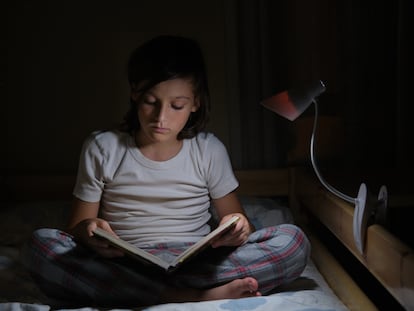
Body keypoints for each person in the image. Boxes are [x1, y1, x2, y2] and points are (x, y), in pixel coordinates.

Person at [22, 35, 310, 308]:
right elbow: (77, 228)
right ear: (135, 93)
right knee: (42, 246)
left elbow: (235, 219)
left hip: (195, 262)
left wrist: (237, 227)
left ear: (195, 102)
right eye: (150, 101)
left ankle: (147, 293)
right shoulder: (102, 147)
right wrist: (89, 231)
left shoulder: (208, 150)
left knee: (293, 241)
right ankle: (188, 295)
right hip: (125, 262)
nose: (161, 118)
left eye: (177, 105)